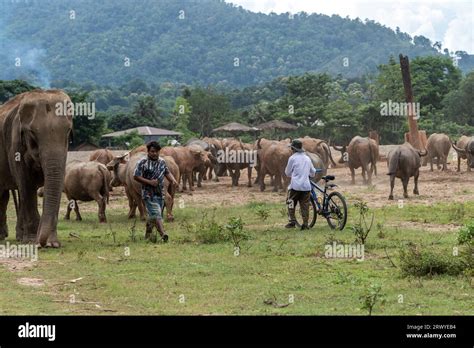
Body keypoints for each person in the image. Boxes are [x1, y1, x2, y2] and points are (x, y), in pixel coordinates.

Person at [134, 141, 178, 242]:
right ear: (148, 152)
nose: (155, 153)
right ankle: (163, 234)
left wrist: (173, 180)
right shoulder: (142, 162)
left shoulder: (162, 161)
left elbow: (167, 172)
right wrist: (149, 182)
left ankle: (147, 235)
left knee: (153, 216)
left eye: (157, 151)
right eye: (152, 151)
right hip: (148, 193)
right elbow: (136, 176)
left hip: (160, 192)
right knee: (156, 213)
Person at [284, 139, 316, 230]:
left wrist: (294, 174)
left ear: (293, 149)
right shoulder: (307, 158)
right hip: (306, 187)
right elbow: (313, 172)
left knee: (290, 202)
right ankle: (305, 224)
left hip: (295, 186)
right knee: (305, 205)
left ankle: (292, 221)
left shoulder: (292, 158)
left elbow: (287, 172)